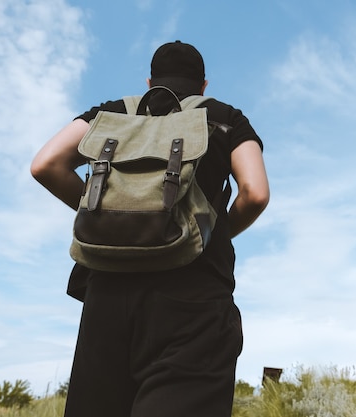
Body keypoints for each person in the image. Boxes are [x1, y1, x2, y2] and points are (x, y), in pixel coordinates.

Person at [30, 40, 269, 417]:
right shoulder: (225, 117)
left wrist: (104, 216)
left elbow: (45, 164)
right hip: (194, 298)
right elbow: (255, 193)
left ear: (149, 82)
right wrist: (204, 233)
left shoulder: (110, 113)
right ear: (204, 85)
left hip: (106, 295)